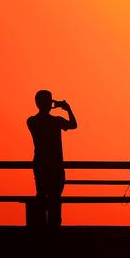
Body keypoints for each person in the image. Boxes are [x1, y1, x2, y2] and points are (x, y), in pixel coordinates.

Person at [27, 90, 77, 228]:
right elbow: (74, 125)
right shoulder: (56, 121)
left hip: (40, 165)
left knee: (42, 196)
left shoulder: (32, 121)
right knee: (55, 199)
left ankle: (41, 229)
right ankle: (54, 229)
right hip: (56, 167)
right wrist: (68, 109)